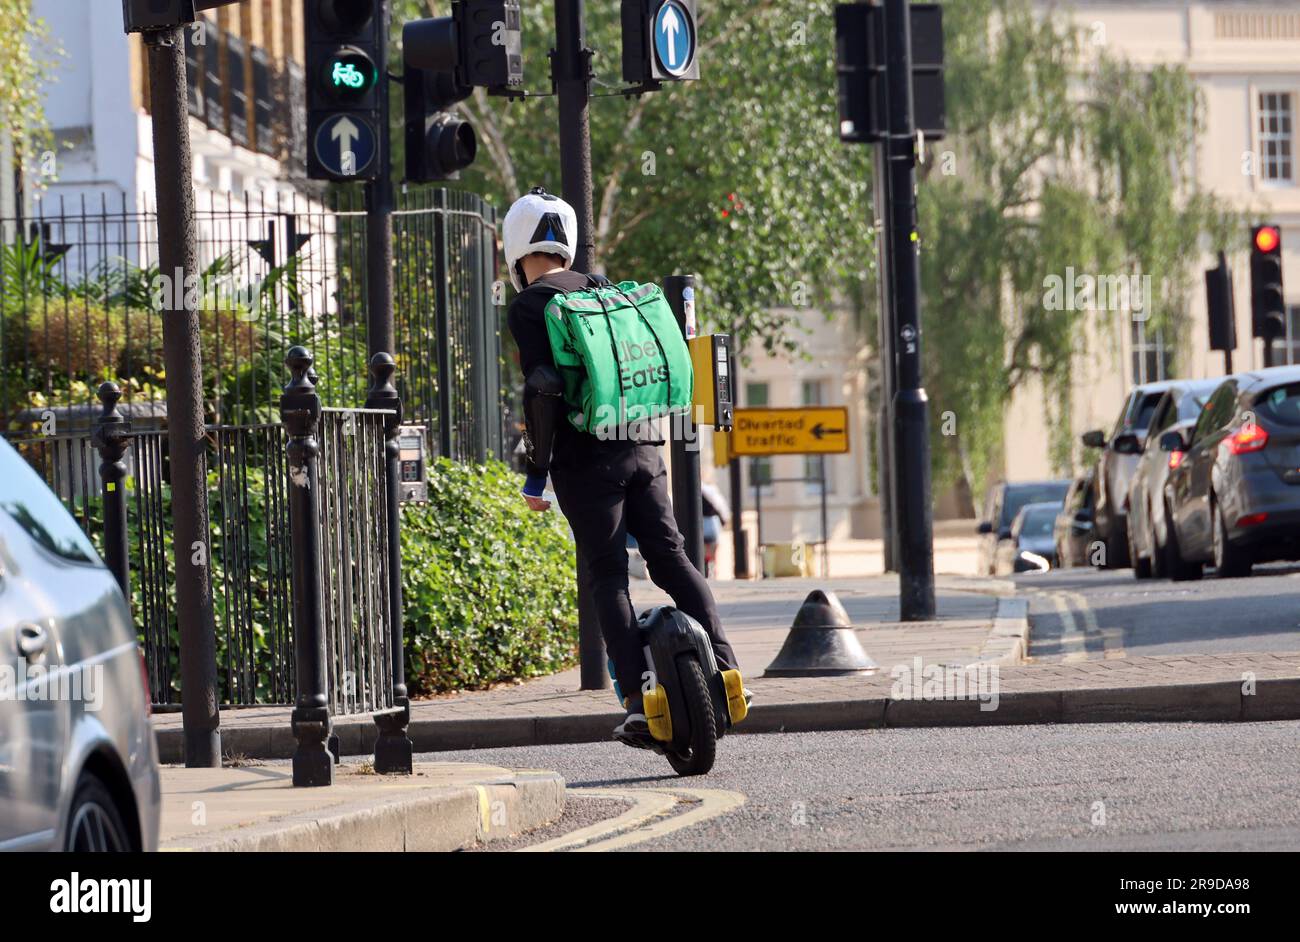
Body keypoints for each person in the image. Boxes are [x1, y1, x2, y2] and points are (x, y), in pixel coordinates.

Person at [503, 187, 744, 749]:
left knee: (608, 575)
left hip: (587, 462)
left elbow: (543, 388)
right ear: (567, 242)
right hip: (643, 447)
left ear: (516, 247)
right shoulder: (603, 288)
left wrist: (537, 473)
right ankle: (730, 674)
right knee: (672, 558)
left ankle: (639, 701)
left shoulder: (529, 305)